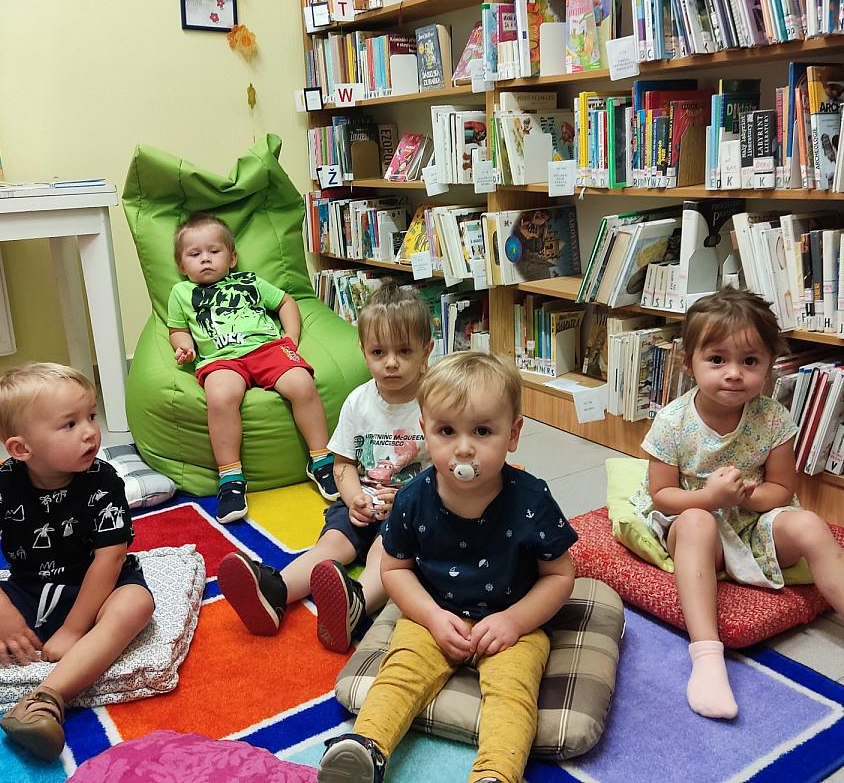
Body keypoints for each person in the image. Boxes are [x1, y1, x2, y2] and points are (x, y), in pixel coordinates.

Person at [317, 352, 577, 783]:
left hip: (513, 622)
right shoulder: (412, 498)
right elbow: (395, 570)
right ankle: (366, 748)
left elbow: (560, 575)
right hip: (435, 613)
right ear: (425, 432)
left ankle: (496, 773)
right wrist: (432, 617)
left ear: (513, 434)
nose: (464, 447)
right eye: (446, 431)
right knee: (400, 673)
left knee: (513, 693)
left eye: (482, 431)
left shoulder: (533, 499)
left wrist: (515, 621)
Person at [630, 287, 844, 720]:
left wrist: (746, 496)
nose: (733, 374)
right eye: (717, 360)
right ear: (688, 363)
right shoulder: (672, 421)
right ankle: (707, 656)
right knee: (697, 522)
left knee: (809, 524)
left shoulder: (773, 418)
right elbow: (662, 495)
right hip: (693, 518)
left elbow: (781, 488)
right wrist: (711, 498)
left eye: (749, 361)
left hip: (753, 519)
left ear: (769, 366)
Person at [0, 364, 154, 760]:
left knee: (137, 604)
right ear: (21, 449)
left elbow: (110, 557)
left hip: (95, 593)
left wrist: (74, 629)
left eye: (91, 416)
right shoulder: (2, 483)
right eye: (69, 424)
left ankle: (45, 700)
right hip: (29, 592)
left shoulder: (104, 480)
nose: (90, 431)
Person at [218, 281, 434, 654]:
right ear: (363, 351)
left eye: (404, 351)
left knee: (386, 552)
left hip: (412, 511)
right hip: (361, 501)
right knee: (331, 545)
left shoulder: (436, 402)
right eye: (378, 352)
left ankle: (357, 604)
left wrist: (410, 499)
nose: (391, 362)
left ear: (426, 351)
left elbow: (448, 467)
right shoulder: (358, 402)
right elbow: (343, 465)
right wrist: (352, 498)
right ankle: (275, 592)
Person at [168, 212, 337, 522]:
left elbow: (285, 302)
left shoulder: (249, 281)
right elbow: (177, 329)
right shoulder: (181, 293)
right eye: (194, 254)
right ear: (181, 265)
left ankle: (321, 459)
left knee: (302, 383)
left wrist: (291, 337)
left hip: (267, 349)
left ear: (232, 258)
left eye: (214, 251)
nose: (205, 259)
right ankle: (230, 477)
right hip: (221, 359)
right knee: (220, 396)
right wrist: (184, 346)